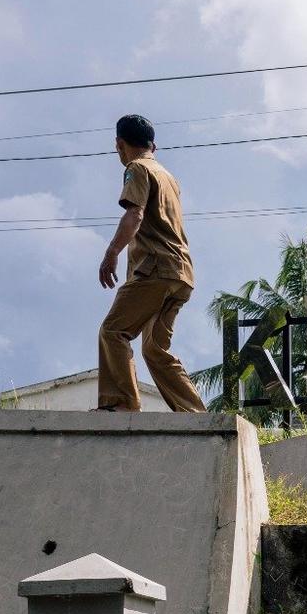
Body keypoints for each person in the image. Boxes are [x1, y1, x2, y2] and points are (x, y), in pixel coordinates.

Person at [95, 114, 206, 412]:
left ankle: (122, 404)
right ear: (153, 145)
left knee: (113, 331)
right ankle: (195, 415)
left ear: (119, 145)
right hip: (181, 273)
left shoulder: (137, 168)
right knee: (155, 349)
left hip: (154, 270)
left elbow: (135, 214)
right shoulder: (168, 176)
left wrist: (112, 252)